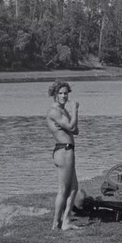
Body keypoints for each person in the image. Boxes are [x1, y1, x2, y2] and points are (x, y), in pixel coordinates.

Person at [46, 81, 79, 231]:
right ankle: (55, 224)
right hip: (63, 151)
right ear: (54, 94)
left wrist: (71, 113)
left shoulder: (63, 110)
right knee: (64, 189)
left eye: (66, 93)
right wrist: (75, 109)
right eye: (60, 93)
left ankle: (65, 221)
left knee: (73, 188)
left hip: (68, 150)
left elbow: (75, 130)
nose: (63, 96)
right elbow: (72, 127)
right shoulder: (55, 111)